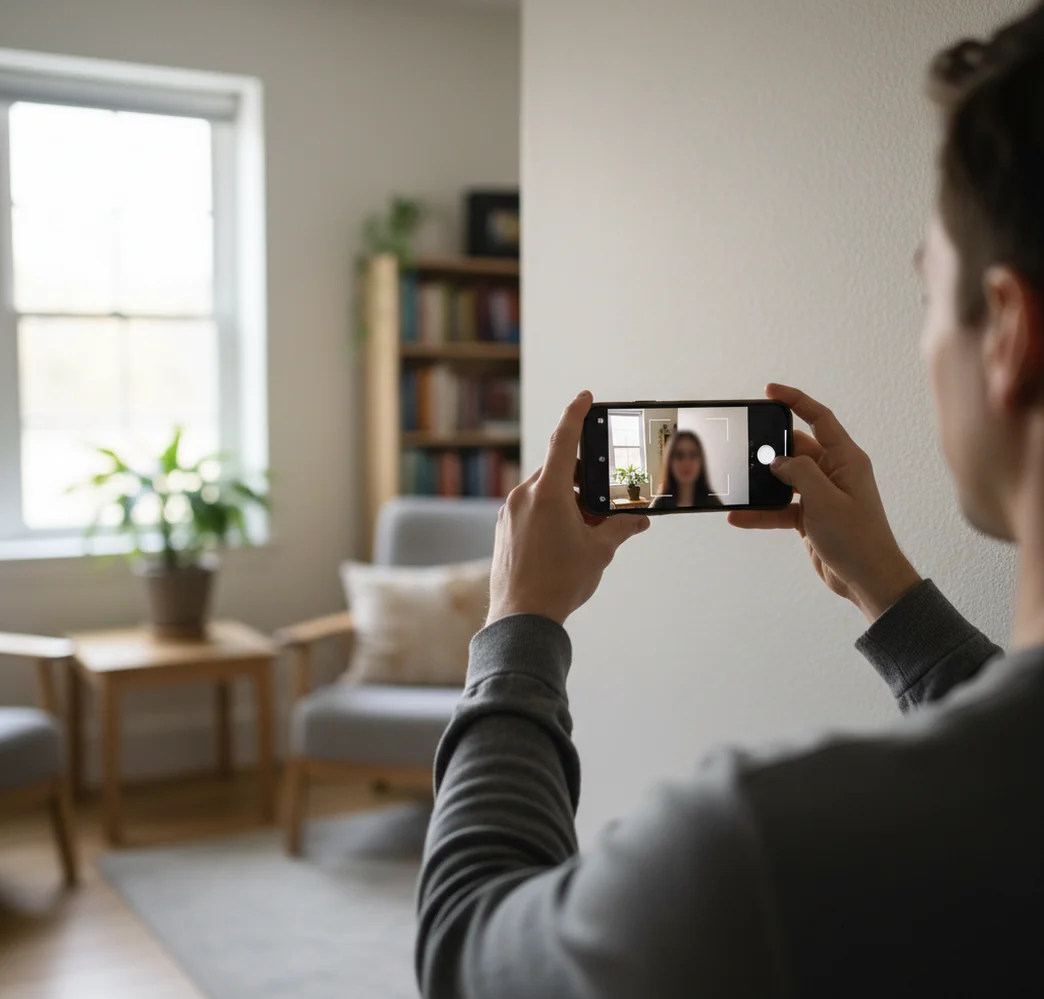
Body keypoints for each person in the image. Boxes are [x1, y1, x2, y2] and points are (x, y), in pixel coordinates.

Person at [415, 5, 1044, 997]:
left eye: (931, 292)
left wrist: (518, 628)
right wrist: (886, 586)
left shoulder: (754, 856)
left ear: (1007, 333)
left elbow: (466, 952)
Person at [648, 430, 724, 509]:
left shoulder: (713, 503)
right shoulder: (660, 504)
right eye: (679, 456)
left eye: (693, 455)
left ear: (701, 461)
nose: (686, 463)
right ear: (670, 462)